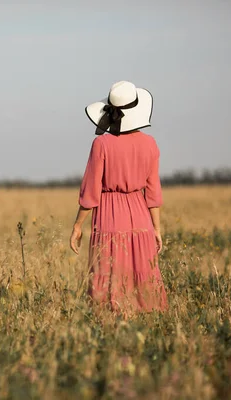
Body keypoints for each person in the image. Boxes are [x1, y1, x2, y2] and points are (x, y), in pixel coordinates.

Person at [70, 81, 168, 314]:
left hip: (109, 216)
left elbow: (90, 192)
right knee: (142, 278)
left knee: (109, 275)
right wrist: (157, 228)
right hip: (141, 216)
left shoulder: (101, 143)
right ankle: (148, 325)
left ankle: (110, 328)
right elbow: (153, 192)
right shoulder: (150, 143)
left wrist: (77, 225)